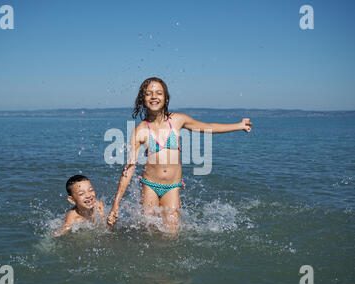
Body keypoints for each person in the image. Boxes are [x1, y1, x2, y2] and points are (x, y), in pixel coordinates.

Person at [107, 77, 252, 233]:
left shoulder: (177, 120)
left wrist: (239, 125)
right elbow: (129, 169)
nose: (154, 97)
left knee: (172, 232)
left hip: (172, 187)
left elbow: (208, 127)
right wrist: (116, 204)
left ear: (166, 97)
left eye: (159, 93)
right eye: (149, 94)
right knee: (148, 231)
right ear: (143, 99)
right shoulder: (140, 130)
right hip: (149, 186)